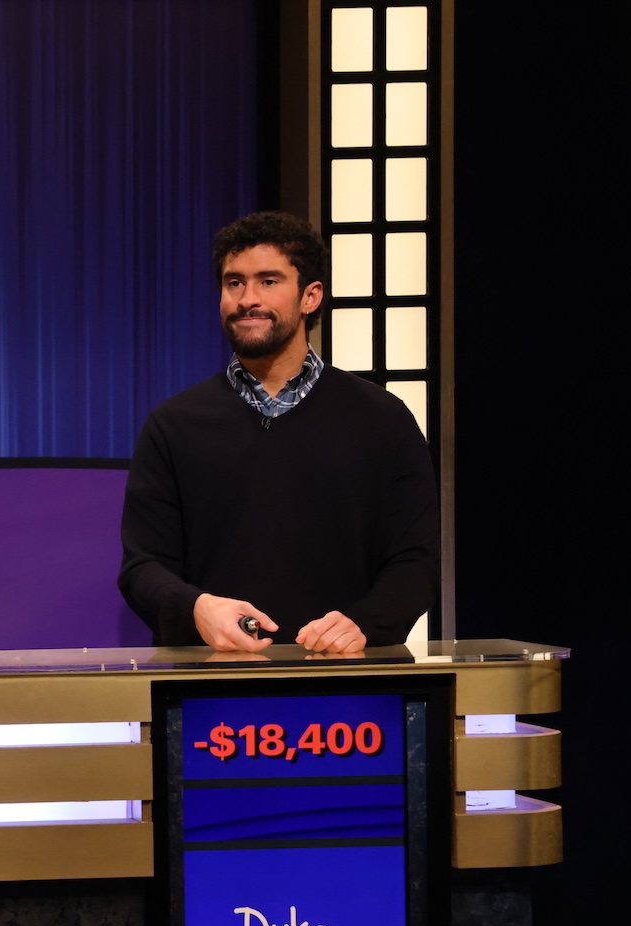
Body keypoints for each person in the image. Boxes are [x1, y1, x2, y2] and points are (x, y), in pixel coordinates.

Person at [117, 212, 439, 653]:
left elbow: (417, 562)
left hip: (347, 677)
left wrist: (364, 623)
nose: (247, 299)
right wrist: (196, 608)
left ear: (310, 296)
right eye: (234, 283)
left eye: (268, 281)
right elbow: (142, 567)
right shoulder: (173, 425)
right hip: (211, 680)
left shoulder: (384, 420)